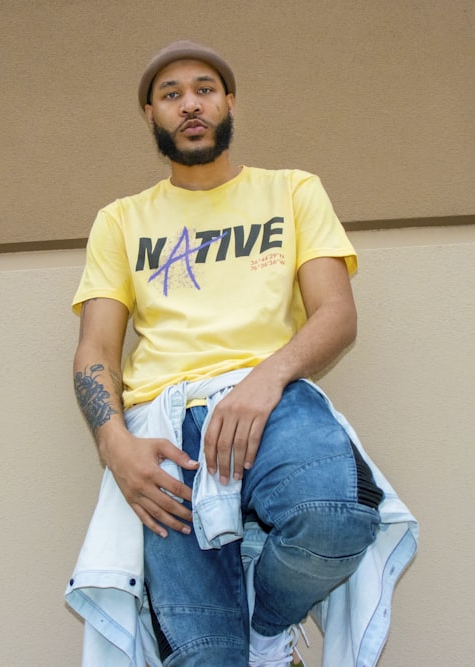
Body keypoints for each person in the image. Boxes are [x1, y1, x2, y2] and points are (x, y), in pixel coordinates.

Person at [68, 40, 417, 667]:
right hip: (166, 430)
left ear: (229, 101)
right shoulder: (120, 220)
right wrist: (113, 446)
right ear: (151, 115)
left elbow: (336, 314)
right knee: (206, 658)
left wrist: (266, 378)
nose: (189, 104)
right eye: (170, 95)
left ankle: (269, 620)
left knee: (334, 519)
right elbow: (95, 347)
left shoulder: (292, 191)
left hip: (271, 398)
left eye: (204, 88)